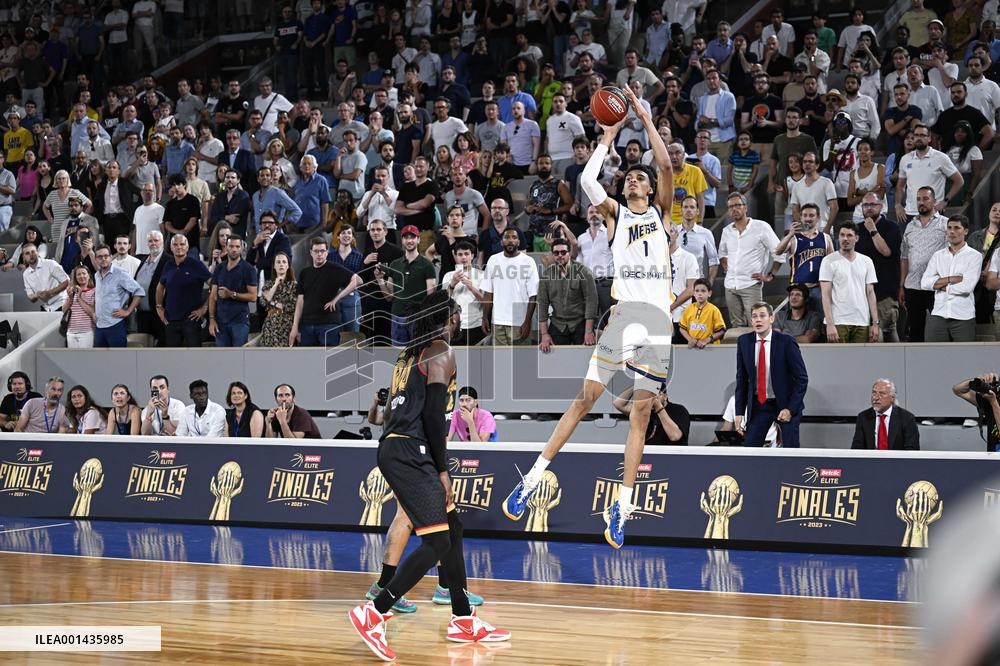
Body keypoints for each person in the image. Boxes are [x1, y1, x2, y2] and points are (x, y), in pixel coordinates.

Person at [501, 83, 673, 549]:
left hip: (658, 322)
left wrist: (641, 113)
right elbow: (588, 184)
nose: (635, 180)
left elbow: (665, 164)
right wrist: (607, 136)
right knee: (584, 399)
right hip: (625, 316)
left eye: (640, 179)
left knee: (640, 415)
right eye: (630, 178)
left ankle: (623, 507)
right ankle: (533, 478)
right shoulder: (616, 216)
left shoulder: (661, 213)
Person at [349, 292, 510, 661]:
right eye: (456, 314)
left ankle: (463, 619)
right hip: (412, 451)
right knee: (437, 543)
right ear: (450, 318)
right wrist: (442, 470)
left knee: (452, 530)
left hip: (394, 444)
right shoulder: (441, 351)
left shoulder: (407, 355)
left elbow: (390, 414)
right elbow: (436, 417)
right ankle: (375, 611)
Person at [734, 302, 809, 447]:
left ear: (771, 319)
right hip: (759, 405)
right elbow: (741, 379)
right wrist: (739, 413)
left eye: (762, 316)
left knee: (790, 452)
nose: (758, 320)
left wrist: (790, 409)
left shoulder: (786, 342)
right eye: (754, 316)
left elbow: (802, 379)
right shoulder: (744, 341)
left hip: (785, 404)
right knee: (750, 449)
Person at [719, 192, 784, 327]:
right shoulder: (726, 231)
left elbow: (779, 252)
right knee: (736, 326)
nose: (734, 209)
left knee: (757, 325)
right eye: (731, 207)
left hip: (751, 285)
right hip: (730, 285)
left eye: (738, 205)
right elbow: (722, 253)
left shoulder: (761, 227)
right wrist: (726, 265)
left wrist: (770, 275)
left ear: (746, 208)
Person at [289, 237, 362, 347]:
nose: (319, 254)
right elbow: (300, 302)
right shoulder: (305, 273)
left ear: (327, 252)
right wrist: (295, 327)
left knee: (328, 361)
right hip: (307, 325)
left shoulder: (334, 269)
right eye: (316, 251)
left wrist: (337, 298)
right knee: (307, 361)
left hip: (329, 324)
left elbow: (358, 280)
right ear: (311, 253)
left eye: (322, 251)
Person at [921, 215, 982, 342]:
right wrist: (950, 279)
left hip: (963, 317)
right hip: (938, 314)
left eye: (956, 228)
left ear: (965, 231)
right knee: (933, 358)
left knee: (964, 358)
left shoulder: (974, 256)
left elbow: (966, 287)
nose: (952, 231)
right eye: (949, 228)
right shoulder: (938, 255)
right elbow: (924, 283)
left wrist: (939, 285)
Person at [900, 187, 949, 341]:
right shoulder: (910, 226)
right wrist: (902, 285)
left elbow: (951, 255)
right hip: (913, 285)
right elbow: (904, 257)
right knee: (915, 331)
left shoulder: (946, 224)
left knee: (941, 329)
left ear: (934, 201)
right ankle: (916, 363)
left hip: (937, 284)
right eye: (919, 199)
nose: (921, 202)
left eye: (926, 199)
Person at [819, 223, 881, 343]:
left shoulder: (867, 261)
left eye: (849, 235)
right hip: (838, 321)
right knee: (837, 360)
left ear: (856, 238)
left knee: (860, 361)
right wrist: (830, 324)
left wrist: (875, 323)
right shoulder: (828, 261)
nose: (845, 239)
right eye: (842, 235)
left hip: (862, 321)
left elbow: (870, 293)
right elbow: (825, 294)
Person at [376, 226, 437, 346]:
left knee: (420, 355)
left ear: (418, 240)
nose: (409, 241)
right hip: (398, 316)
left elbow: (431, 295)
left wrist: (427, 318)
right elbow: (389, 296)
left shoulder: (427, 265)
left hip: (419, 317)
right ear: (402, 240)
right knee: (399, 357)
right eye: (406, 237)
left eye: (413, 237)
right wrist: (379, 280)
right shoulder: (395, 264)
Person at [481, 227, 539, 346]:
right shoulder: (493, 260)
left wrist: (527, 322)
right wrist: (485, 317)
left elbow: (533, 295)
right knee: (500, 362)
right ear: (501, 241)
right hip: (497, 322)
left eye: (514, 237)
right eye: (507, 237)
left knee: (521, 362)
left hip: (520, 323)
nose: (510, 240)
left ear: (518, 242)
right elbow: (488, 292)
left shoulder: (528, 262)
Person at [537, 237, 597, 351]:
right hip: (558, 323)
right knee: (554, 359)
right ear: (553, 255)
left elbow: (591, 302)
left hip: (580, 323)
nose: (560, 255)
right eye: (556, 253)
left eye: (563, 252)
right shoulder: (546, 275)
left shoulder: (584, 272)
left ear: (569, 253)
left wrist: (588, 331)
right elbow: (542, 305)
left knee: (585, 358)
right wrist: (544, 334)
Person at [895, 124, 964, 223]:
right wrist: (898, 204)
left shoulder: (940, 157)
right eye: (916, 135)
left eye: (923, 135)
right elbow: (900, 186)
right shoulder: (905, 159)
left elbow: (959, 181)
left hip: (934, 212)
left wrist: (945, 201)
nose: (919, 138)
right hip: (910, 213)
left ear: (929, 139)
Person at [774, 203, 832, 308]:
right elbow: (777, 251)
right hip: (797, 289)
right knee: (797, 321)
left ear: (818, 217)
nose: (807, 218)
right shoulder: (794, 238)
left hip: (818, 288)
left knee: (819, 320)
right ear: (800, 217)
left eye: (811, 215)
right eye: (805, 215)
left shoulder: (826, 238)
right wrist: (790, 234)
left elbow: (832, 264)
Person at [207, 235, 258, 348]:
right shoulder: (220, 268)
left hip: (239, 321)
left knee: (239, 358)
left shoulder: (248, 269)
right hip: (220, 321)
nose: (234, 249)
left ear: (241, 248)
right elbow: (213, 296)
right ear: (226, 247)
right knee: (223, 359)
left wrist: (231, 294)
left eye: (237, 246)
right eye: (231, 246)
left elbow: (253, 296)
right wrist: (211, 320)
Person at [852, 379, 920, 450]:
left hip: (896, 460)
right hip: (872, 460)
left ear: (892, 398)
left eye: (881, 393)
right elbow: (857, 449)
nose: (876, 397)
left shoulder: (907, 418)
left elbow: (912, 450)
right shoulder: (863, 417)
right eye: (874, 393)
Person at [612, 384, 690, 446]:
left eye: (654, 394)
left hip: (673, 455)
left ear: (665, 396)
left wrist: (658, 407)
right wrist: (638, 385)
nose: (650, 398)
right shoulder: (644, 410)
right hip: (648, 454)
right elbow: (618, 404)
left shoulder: (679, 410)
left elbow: (675, 436)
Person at [442, 241, 486, 346]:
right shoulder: (448, 275)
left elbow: (486, 301)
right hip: (454, 326)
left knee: (476, 359)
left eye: (466, 254)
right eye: (460, 254)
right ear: (456, 256)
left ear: (472, 256)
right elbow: (443, 301)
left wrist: (472, 287)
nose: (463, 257)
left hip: (476, 324)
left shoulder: (482, 275)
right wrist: (452, 284)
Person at [259, 252, 297, 348]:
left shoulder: (294, 285)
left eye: (284, 262)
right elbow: (263, 301)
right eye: (278, 262)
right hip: (270, 325)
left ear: (288, 266)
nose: (281, 264)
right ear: (274, 266)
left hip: (287, 324)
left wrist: (273, 303)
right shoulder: (268, 284)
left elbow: (293, 306)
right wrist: (275, 284)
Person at [953, 373, 1000, 452]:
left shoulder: (992, 402)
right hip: (993, 459)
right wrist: (975, 381)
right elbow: (958, 390)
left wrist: (994, 403)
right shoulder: (991, 401)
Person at [21, 243, 69, 312]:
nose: (31, 255)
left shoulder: (50, 264)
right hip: (47, 307)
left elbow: (66, 281)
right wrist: (36, 295)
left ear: (37, 252)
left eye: (33, 251)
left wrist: (49, 293)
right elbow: (31, 297)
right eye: (27, 253)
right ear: (24, 257)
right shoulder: (26, 274)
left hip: (62, 303)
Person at [679, 278, 726, 348]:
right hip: (693, 347)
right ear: (694, 293)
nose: (700, 294)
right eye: (697, 291)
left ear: (709, 293)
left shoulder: (714, 310)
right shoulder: (689, 308)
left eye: (703, 291)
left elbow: (721, 330)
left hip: (710, 347)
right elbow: (682, 328)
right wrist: (690, 339)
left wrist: (707, 340)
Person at [63, 265, 96, 348]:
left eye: (84, 273)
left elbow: (92, 312)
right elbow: (64, 310)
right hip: (71, 332)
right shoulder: (70, 291)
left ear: (89, 275)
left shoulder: (94, 291)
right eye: (79, 274)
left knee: (86, 359)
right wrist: (70, 298)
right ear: (75, 277)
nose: (81, 276)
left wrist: (79, 298)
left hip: (86, 332)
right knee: (72, 359)